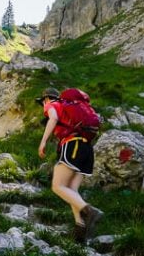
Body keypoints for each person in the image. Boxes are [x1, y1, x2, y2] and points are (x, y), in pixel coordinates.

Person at [36, 87, 103, 243]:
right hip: (87, 148)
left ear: (46, 98)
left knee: (58, 186)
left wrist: (43, 142)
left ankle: (90, 212)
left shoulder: (52, 104)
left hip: (72, 145)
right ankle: (81, 231)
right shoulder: (74, 106)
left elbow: (52, 118)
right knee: (72, 190)